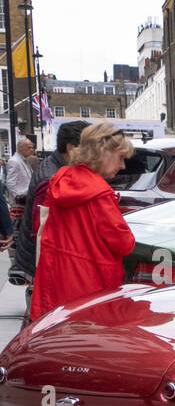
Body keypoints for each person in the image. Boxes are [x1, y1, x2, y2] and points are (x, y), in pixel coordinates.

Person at [30, 124, 136, 322]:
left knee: (54, 333)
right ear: (104, 152)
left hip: (55, 278)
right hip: (91, 285)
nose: (123, 166)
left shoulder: (59, 179)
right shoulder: (99, 194)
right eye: (121, 157)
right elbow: (124, 243)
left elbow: (39, 225)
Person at [12, 120, 89, 287]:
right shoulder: (51, 178)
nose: (93, 153)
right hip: (43, 265)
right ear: (71, 148)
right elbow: (44, 233)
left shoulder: (55, 166)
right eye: (88, 147)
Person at [5, 137, 35, 204]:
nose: (32, 150)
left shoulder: (24, 160)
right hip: (20, 202)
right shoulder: (14, 161)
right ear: (20, 148)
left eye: (32, 147)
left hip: (27, 199)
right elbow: (10, 183)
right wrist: (18, 198)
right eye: (29, 147)